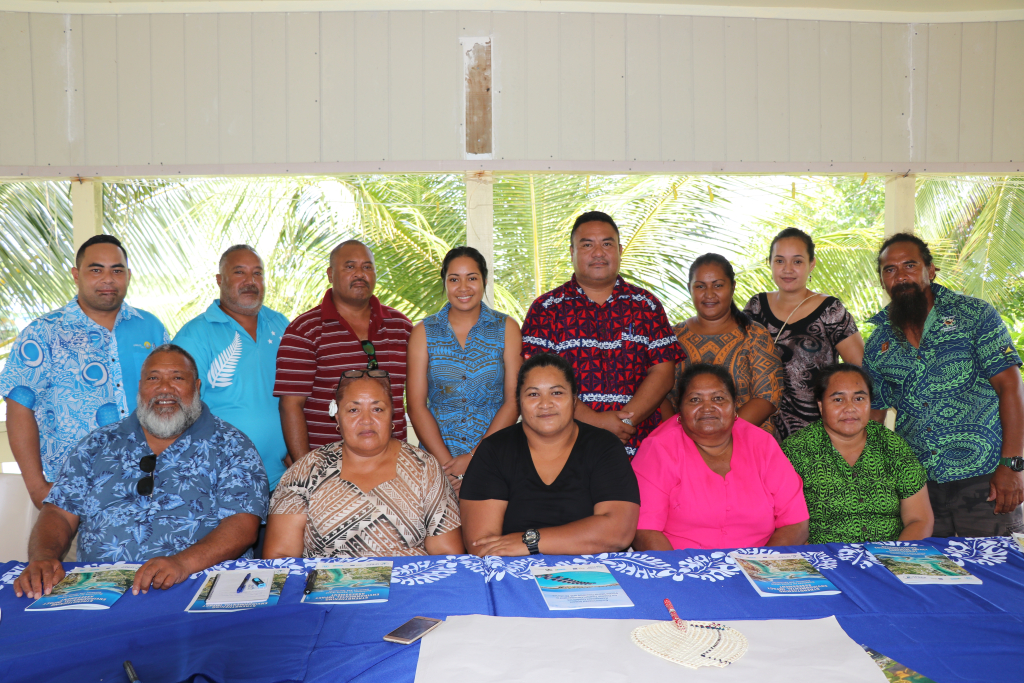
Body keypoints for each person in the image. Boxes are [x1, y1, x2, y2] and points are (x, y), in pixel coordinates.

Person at [12, 345, 268, 600]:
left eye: (177, 378)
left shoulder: (232, 444)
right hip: (96, 593)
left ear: (197, 387)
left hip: (195, 589)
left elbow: (243, 526)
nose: (165, 388)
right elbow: (58, 511)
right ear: (140, 387)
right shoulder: (97, 444)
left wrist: (181, 563)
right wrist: (44, 558)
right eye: (153, 378)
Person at [864, 233, 1024, 537]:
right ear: (882, 280)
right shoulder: (878, 343)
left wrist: (1013, 465)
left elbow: (1011, 388)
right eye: (890, 269)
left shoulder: (975, 315)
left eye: (909, 265)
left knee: (995, 576)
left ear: (931, 269)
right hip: (919, 489)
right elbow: (874, 416)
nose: (900, 276)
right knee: (927, 578)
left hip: (986, 480)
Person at [0, 234, 168, 510]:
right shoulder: (44, 332)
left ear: (128, 275)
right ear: (76, 275)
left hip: (148, 488)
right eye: (96, 269)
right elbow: (19, 408)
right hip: (74, 494)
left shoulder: (150, 327)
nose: (108, 279)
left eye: (117, 270)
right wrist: (37, 488)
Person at [520, 211, 683, 459]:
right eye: (587, 245)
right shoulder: (546, 309)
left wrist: (625, 422)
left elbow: (663, 371)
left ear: (619, 250)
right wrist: (596, 421)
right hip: (566, 450)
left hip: (642, 449)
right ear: (572, 252)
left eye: (607, 244)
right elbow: (533, 380)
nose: (598, 253)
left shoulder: (646, 305)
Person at [262, 369, 463, 558]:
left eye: (377, 409)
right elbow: (280, 558)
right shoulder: (305, 471)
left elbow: (447, 555)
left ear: (392, 414)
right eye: (353, 410)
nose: (366, 420)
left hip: (407, 589)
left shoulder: (424, 467)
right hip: (327, 591)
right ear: (337, 417)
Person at [459, 353, 640, 556]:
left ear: (574, 400)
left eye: (556, 393)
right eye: (533, 394)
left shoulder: (604, 446)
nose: (545, 404)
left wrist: (530, 541)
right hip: (515, 572)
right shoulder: (494, 450)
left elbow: (618, 533)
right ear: (519, 401)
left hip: (593, 573)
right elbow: (482, 545)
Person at [632, 363, 808, 551]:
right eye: (694, 400)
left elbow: (795, 523)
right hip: (682, 567)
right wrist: (678, 575)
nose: (707, 407)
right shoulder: (659, 449)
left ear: (734, 408)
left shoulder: (762, 444)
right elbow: (645, 530)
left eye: (718, 398)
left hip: (761, 565)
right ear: (680, 412)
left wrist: (763, 566)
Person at [274, 240, 412, 467]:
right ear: (330, 274)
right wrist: (306, 470)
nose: (360, 274)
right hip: (329, 470)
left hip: (394, 468)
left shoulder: (402, 327)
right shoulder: (304, 330)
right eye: (350, 267)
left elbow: (419, 396)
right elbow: (290, 406)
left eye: (367, 267)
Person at [173, 245, 290, 490]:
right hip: (223, 482)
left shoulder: (281, 324)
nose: (250, 281)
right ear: (220, 280)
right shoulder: (195, 335)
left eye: (257, 274)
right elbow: (178, 412)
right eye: (240, 273)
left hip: (282, 479)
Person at [407, 247, 522, 492]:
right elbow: (416, 406)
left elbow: (513, 401)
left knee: (492, 530)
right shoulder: (423, 332)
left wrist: (473, 458)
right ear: (444, 283)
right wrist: (447, 466)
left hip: (495, 455)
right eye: (454, 279)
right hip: (436, 459)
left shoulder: (507, 328)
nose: (463, 287)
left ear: (485, 281)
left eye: (472, 278)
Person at [782, 364, 933, 544]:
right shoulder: (796, 451)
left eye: (859, 398)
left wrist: (895, 559)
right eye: (838, 400)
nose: (850, 408)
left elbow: (920, 519)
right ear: (821, 406)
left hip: (891, 557)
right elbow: (789, 527)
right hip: (826, 562)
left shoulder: (892, 446)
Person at [744, 228, 864, 441]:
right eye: (780, 261)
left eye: (797, 262)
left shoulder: (830, 310)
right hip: (761, 433)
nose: (788, 269)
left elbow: (861, 371)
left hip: (817, 436)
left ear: (812, 264)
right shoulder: (756, 307)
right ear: (769, 263)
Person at [664, 253, 783, 432]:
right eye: (700, 286)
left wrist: (720, 438)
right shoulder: (671, 337)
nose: (709, 294)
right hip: (682, 445)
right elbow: (659, 394)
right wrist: (681, 436)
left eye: (718, 285)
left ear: (732, 287)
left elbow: (767, 398)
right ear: (690, 288)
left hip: (745, 442)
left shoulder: (755, 335)